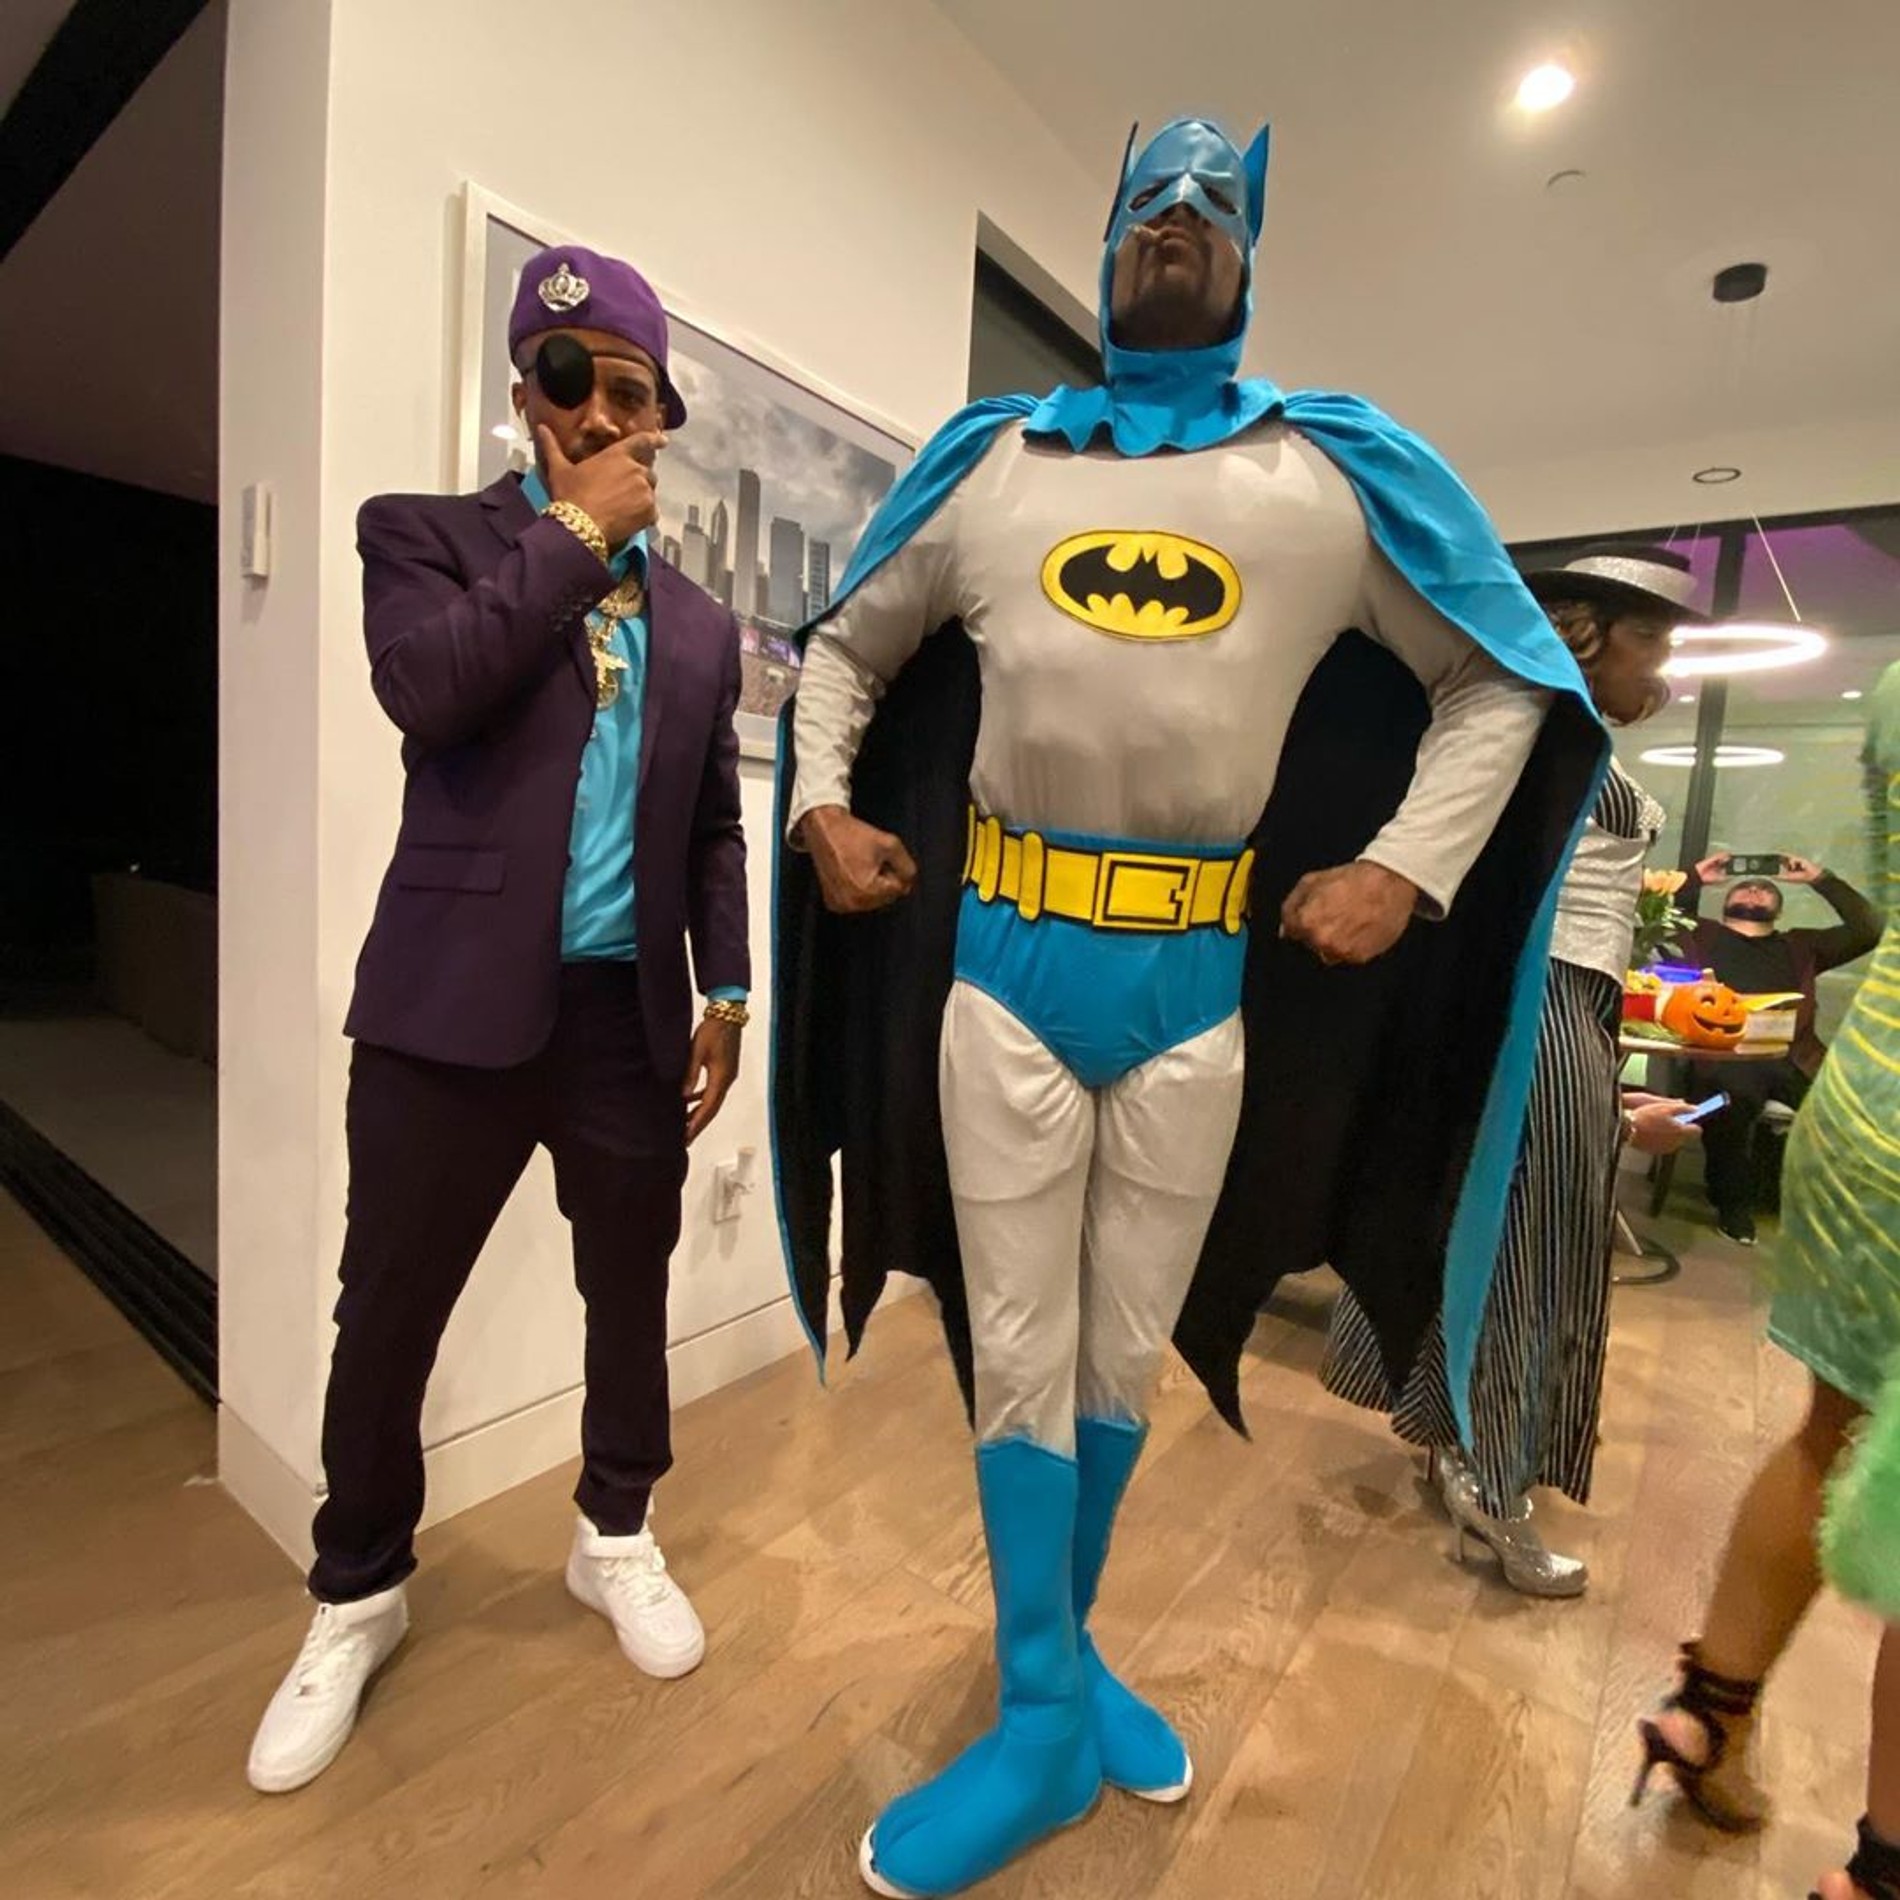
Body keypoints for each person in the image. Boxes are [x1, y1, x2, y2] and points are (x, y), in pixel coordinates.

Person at [772, 115, 1607, 1898]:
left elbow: (1499, 682)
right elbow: (842, 649)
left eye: (1212, 204)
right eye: (1147, 197)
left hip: (1196, 987)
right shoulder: (998, 468)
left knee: (1121, 1348)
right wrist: (820, 805)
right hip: (1005, 969)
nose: (1174, 221)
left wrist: (1408, 870)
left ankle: (1052, 1680)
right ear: (1104, 240)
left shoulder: (1323, 481)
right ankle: (1042, 1711)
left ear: (1250, 253)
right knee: (1019, 1345)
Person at [246, 246, 750, 1795]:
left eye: (626, 390)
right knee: (388, 1308)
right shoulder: (423, 539)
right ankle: (357, 1593)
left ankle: (616, 1531)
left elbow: (712, 829)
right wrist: (577, 534)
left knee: (626, 1290)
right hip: (444, 1007)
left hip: (623, 1014)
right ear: (528, 395)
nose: (596, 411)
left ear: (659, 415)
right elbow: (432, 690)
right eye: (566, 380)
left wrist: (729, 989)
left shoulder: (704, 628)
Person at [1322, 547, 1705, 1596]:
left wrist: (1602, 1084)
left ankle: (1460, 1446)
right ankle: (1494, 1484)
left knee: (1499, 1229)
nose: (1661, 665)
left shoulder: (1554, 736)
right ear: (1584, 636)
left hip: (1569, 1002)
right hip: (1539, 996)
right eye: (1648, 638)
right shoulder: (1530, 732)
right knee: (1530, 1246)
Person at [1633, 660, 1900, 1842]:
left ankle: (1708, 1712)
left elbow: (1869, 918)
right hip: (1784, 1077)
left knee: (1830, 1430)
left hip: (1868, 1098)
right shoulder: (1701, 930)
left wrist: (1801, 875)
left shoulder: (1891, 685)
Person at [1677, 851, 1880, 1243]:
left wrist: (1820, 878)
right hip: (1723, 1057)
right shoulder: (1700, 934)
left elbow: (1871, 929)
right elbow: (1649, 912)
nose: (1755, 889)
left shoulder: (1802, 945)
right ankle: (1734, 1205)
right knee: (1729, 1101)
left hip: (1792, 1060)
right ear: (1725, 901)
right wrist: (1694, 877)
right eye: (1745, 885)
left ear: (1779, 909)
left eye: (1765, 888)